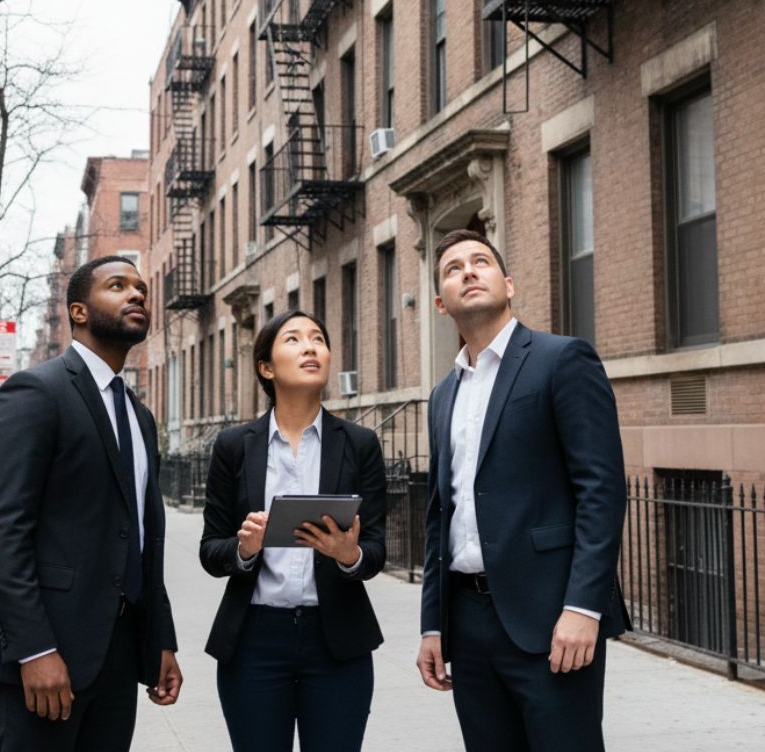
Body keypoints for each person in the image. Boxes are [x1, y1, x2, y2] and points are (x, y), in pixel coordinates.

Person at [0, 255, 182, 751]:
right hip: (46, 653)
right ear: (78, 311)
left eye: (141, 288)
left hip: (119, 656)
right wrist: (34, 649)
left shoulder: (140, 418)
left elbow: (144, 538)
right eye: (118, 285)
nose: (137, 295)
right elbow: (1, 530)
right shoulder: (36, 391)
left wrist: (160, 639)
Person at [417, 229, 628, 752]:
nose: (467, 271)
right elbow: (440, 514)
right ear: (441, 305)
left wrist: (584, 607)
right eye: (452, 268)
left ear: (507, 284)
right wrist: (432, 626)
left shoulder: (561, 360)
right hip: (467, 624)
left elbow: (601, 490)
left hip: (551, 619)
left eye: (480, 262)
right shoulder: (442, 395)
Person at [200, 309, 387, 752]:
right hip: (254, 642)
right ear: (266, 367)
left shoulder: (359, 444)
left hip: (337, 639)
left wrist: (349, 555)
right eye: (293, 339)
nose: (310, 347)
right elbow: (211, 549)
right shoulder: (233, 447)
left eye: (318, 339)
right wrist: (244, 549)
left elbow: (376, 547)